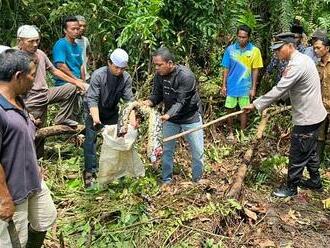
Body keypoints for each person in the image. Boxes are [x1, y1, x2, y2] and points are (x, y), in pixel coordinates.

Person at [244, 33, 327, 197]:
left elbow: (280, 89)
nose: (276, 53)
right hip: (315, 115)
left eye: (279, 49)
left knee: (298, 152)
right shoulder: (303, 59)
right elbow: (289, 89)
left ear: (290, 46)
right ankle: (315, 182)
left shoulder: (297, 64)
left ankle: (291, 188)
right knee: (309, 151)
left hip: (308, 118)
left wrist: (256, 105)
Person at [0, 49, 57, 247]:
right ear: (18, 76)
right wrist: (4, 198)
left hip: (33, 181)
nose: (35, 80)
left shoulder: (18, 100)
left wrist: (34, 165)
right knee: (17, 240)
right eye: (32, 75)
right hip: (13, 191)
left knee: (45, 218)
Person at [17, 25, 85, 157]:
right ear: (20, 41)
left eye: (37, 40)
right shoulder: (15, 57)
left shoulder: (40, 54)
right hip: (30, 99)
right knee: (35, 132)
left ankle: (63, 118)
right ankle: (34, 162)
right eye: (31, 41)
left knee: (71, 88)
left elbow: (54, 70)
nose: (35, 44)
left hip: (45, 94)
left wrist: (76, 81)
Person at [143, 47, 204, 184]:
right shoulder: (159, 76)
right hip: (171, 119)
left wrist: (167, 115)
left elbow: (181, 102)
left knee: (197, 152)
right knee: (167, 150)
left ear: (170, 63)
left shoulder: (186, 76)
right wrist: (148, 102)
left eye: (159, 65)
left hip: (190, 117)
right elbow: (157, 95)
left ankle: (197, 180)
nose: (157, 68)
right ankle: (166, 180)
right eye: (155, 65)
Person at [83, 48, 135, 188]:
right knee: (91, 140)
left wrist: (132, 122)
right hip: (94, 110)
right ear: (109, 63)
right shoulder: (98, 75)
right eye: (116, 67)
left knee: (117, 138)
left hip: (111, 111)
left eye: (122, 68)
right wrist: (95, 118)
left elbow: (129, 101)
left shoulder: (126, 78)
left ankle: (113, 171)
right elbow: (92, 99)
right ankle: (90, 172)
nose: (119, 71)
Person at [221, 25, 263, 141]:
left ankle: (242, 133)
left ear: (248, 37)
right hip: (231, 86)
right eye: (239, 37)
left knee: (244, 110)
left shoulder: (254, 51)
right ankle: (230, 132)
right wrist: (223, 85)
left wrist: (253, 88)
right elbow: (226, 68)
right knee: (229, 109)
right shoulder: (230, 50)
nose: (241, 39)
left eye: (244, 37)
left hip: (245, 87)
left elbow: (255, 70)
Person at [53, 16, 86, 86]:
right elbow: (60, 65)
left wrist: (83, 81)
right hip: (64, 83)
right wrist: (75, 79)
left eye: (77, 29)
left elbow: (81, 66)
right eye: (73, 29)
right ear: (65, 30)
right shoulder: (61, 44)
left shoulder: (78, 47)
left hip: (78, 82)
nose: (76, 31)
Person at [313, 35, 330, 164]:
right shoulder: (316, 66)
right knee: (319, 136)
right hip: (321, 107)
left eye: (318, 48)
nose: (315, 50)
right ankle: (317, 164)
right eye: (314, 48)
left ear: (327, 48)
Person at [75, 15, 92, 81]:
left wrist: (87, 65)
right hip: (75, 78)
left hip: (86, 77)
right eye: (80, 25)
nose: (82, 28)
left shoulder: (85, 40)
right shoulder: (69, 41)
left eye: (84, 26)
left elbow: (88, 54)